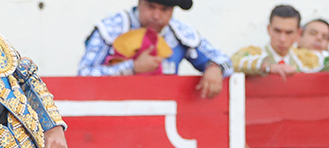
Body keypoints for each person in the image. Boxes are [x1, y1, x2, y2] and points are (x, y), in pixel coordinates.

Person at [77, 0, 233, 99]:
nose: (156, 16)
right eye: (151, 7)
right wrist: (133, 67)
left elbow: (223, 60)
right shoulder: (112, 28)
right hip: (114, 115)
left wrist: (215, 68)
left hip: (162, 118)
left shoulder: (179, 32)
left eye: (164, 9)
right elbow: (83, 74)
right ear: (139, 2)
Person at [232, 5, 329, 84]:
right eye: (277, 31)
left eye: (289, 32)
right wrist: (268, 67)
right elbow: (233, 63)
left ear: (298, 33)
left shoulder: (308, 58)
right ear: (268, 29)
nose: (282, 39)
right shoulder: (254, 53)